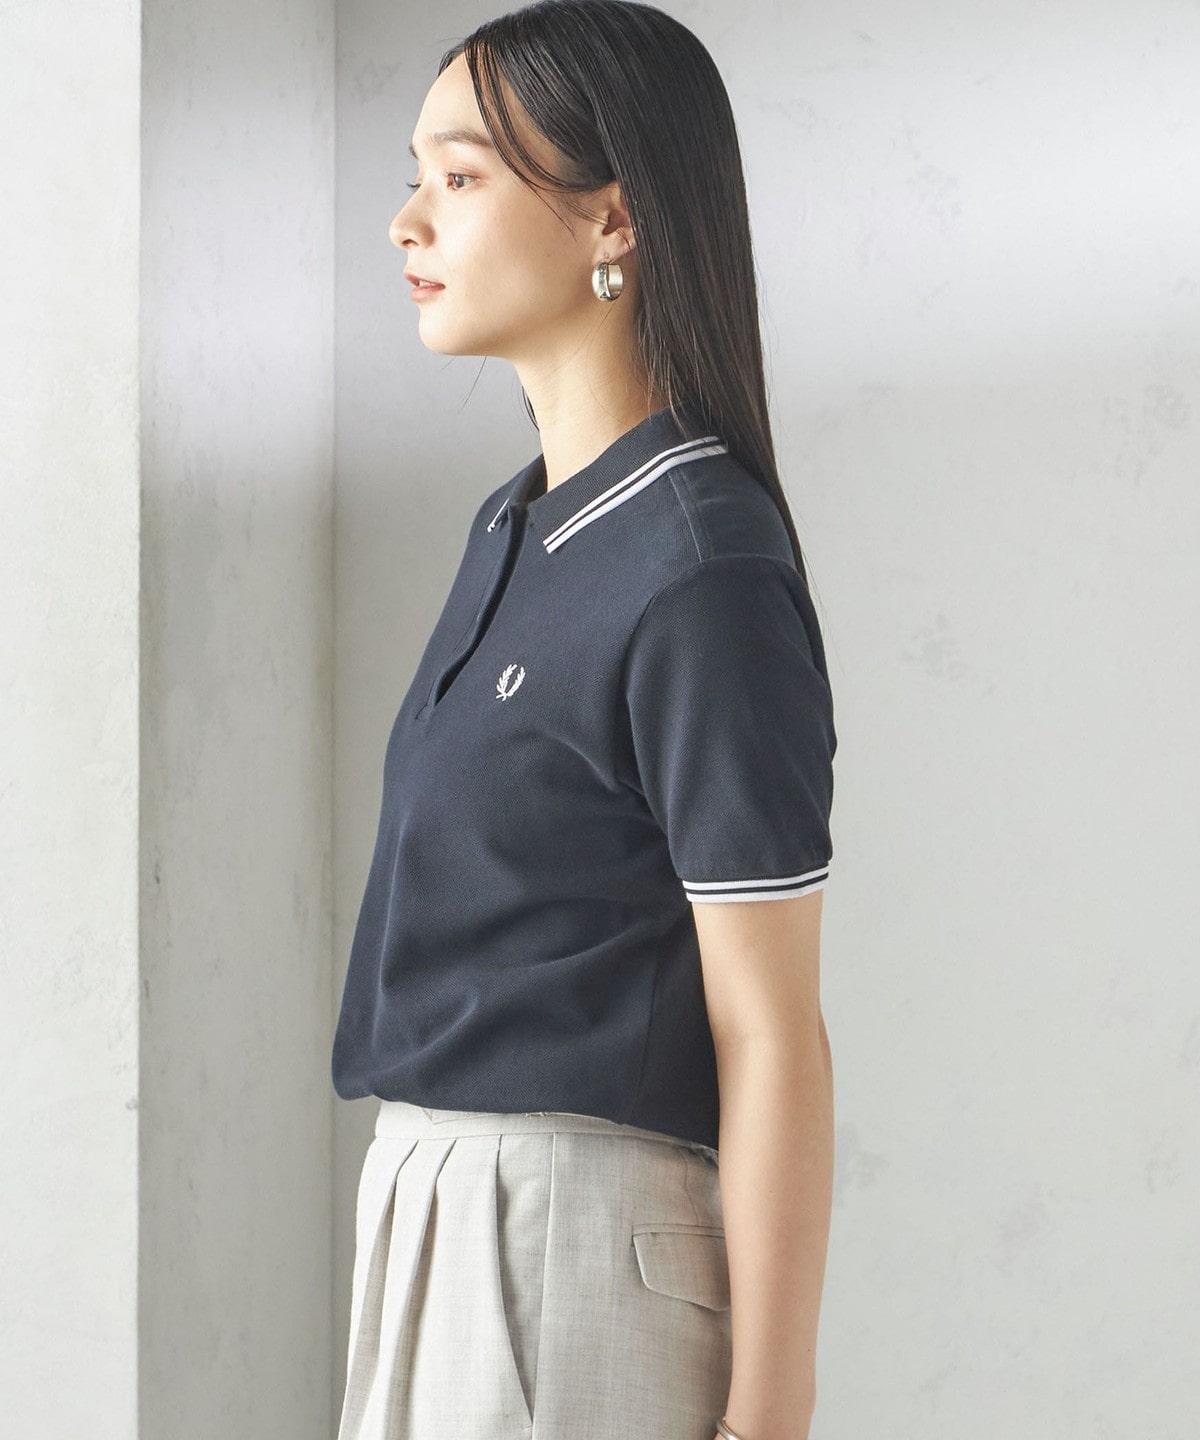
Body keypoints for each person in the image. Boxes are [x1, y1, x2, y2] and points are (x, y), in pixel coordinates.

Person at [332, 4, 837, 1438]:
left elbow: (771, 1030)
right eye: (417, 175)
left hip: (568, 1242)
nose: (408, 220)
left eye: (461, 176)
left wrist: (768, 1417)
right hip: (437, 1207)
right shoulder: (520, 525)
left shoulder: (699, 563)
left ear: (613, 217)